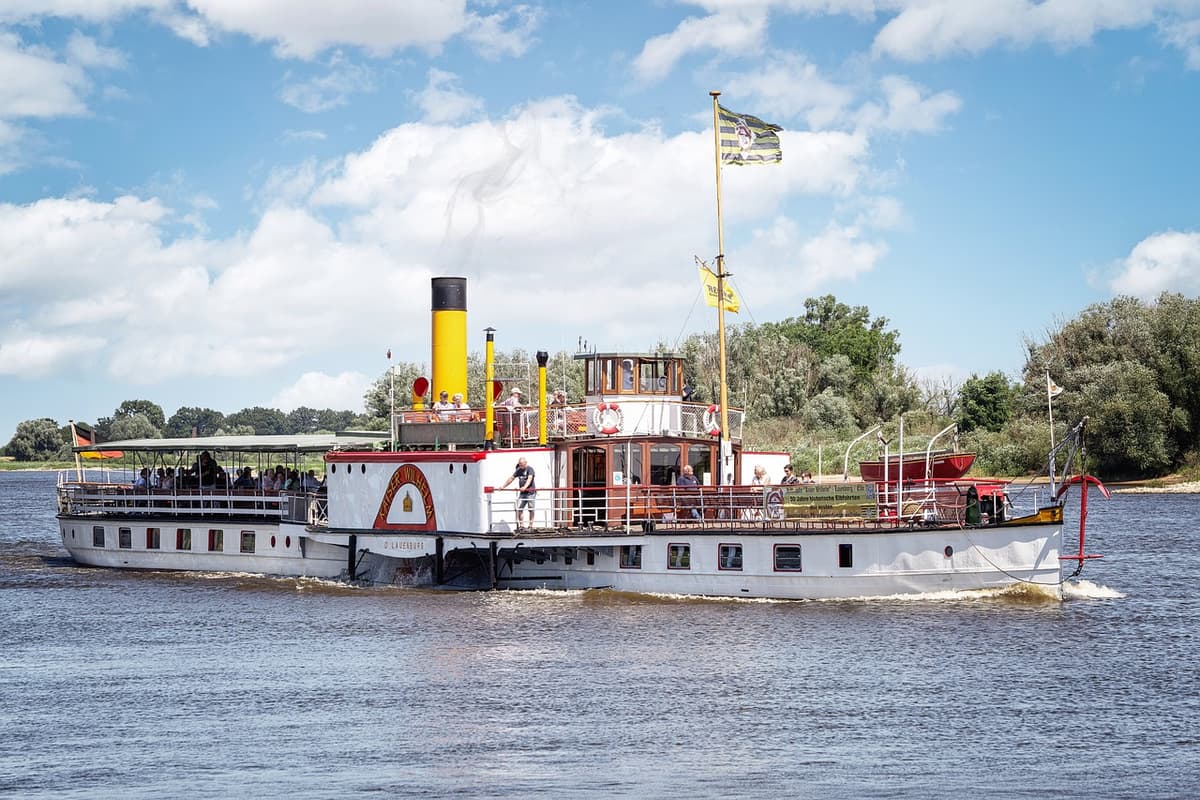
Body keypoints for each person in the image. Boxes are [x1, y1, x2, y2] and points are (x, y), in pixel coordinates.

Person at [499, 457, 536, 530]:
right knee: (519, 508)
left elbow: (530, 479)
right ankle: (522, 525)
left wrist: (525, 487)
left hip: (530, 492)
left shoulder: (530, 469)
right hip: (523, 493)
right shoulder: (519, 470)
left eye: (521, 464)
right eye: (519, 464)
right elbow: (511, 478)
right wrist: (503, 486)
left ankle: (530, 525)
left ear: (525, 463)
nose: (520, 466)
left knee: (531, 509)